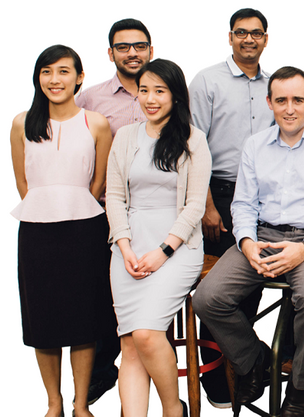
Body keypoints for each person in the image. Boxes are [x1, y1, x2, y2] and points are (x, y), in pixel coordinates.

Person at [193, 66, 304, 417]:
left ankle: (299, 387)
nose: (290, 108)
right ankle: (255, 360)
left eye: (298, 100)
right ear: (269, 103)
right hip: (263, 236)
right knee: (207, 299)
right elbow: (243, 204)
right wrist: (246, 242)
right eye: (281, 100)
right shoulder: (255, 145)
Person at [10, 44, 113, 417]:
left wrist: (71, 205)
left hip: (84, 231)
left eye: (64, 71)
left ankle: (80, 404)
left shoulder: (95, 123)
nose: (55, 79)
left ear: (79, 77)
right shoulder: (22, 123)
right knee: (44, 320)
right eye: (47, 71)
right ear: (38, 78)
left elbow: (99, 183)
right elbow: (23, 183)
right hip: (37, 232)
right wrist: (49, 206)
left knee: (84, 319)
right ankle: (53, 403)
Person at [106, 58, 211, 417]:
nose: (150, 99)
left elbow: (195, 205)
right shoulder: (125, 136)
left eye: (159, 91)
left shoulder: (194, 139)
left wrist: (163, 251)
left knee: (147, 335)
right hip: (129, 247)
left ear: (175, 96)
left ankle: (172, 409)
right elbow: (114, 196)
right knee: (130, 344)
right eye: (144, 90)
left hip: (177, 247)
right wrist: (123, 246)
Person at [188, 8, 275, 406]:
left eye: (256, 33)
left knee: (249, 289)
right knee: (216, 292)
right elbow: (193, 146)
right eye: (241, 32)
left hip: (263, 199)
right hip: (219, 196)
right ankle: (219, 385)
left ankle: (247, 366)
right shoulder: (207, 81)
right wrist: (207, 204)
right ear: (230, 37)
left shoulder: (274, 84)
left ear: (265, 39)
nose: (249, 39)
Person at [74, 17, 153, 405]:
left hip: (156, 213)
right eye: (123, 47)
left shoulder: (168, 93)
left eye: (139, 46)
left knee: (147, 295)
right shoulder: (90, 99)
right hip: (105, 210)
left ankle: (152, 368)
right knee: (102, 294)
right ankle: (104, 370)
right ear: (110, 53)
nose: (132, 53)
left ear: (151, 50)